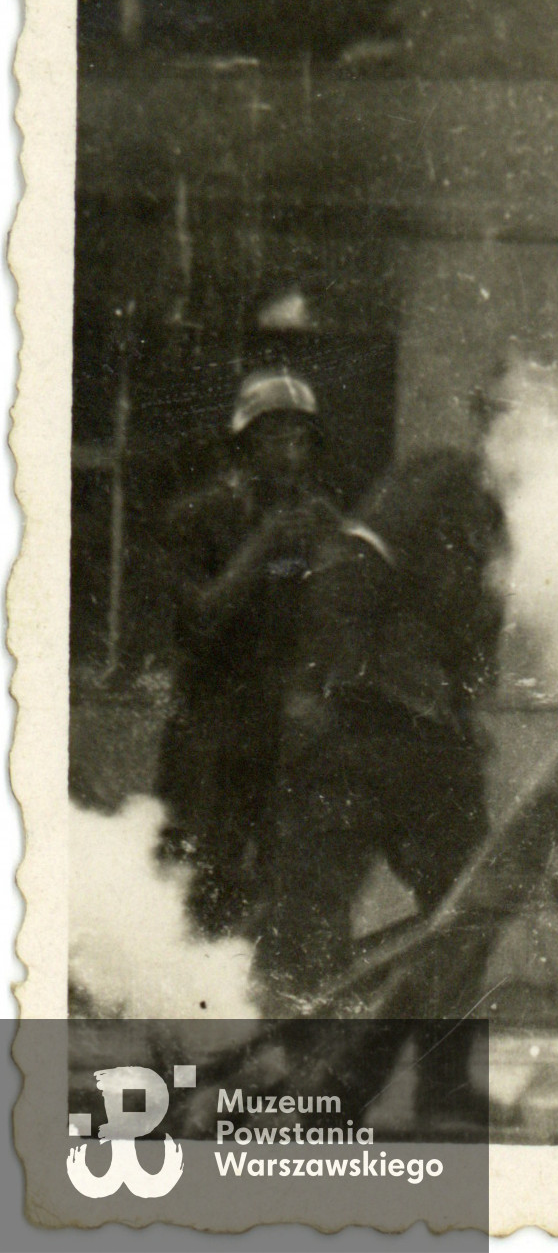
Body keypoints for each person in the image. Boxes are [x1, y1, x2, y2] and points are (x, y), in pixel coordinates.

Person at [254, 448, 506, 1126]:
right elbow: (331, 641)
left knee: (471, 905)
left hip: (430, 757)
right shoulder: (381, 540)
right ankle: (309, 1085)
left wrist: (461, 707)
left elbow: (477, 657)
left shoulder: (481, 555)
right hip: (352, 748)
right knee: (313, 920)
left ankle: (444, 1084)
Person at [156, 369, 338, 938]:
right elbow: (198, 620)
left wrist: (325, 558)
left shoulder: (316, 521)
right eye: (274, 438)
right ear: (244, 446)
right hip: (208, 730)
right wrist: (262, 549)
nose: (289, 455)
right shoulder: (197, 518)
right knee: (199, 879)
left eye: (300, 440)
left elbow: (336, 623)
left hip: (281, 733)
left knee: (285, 884)